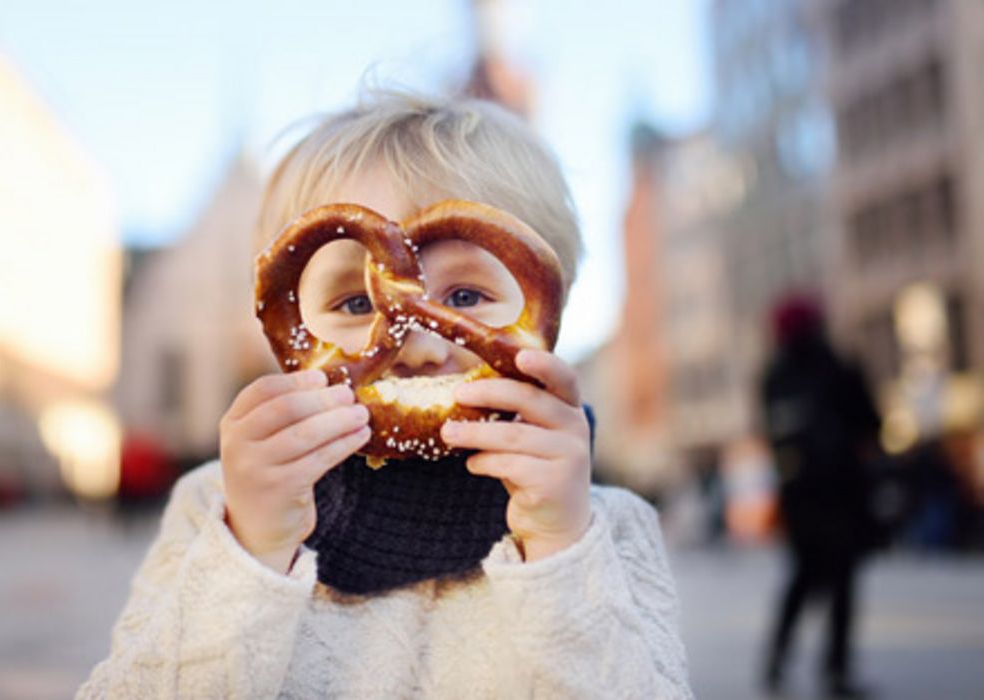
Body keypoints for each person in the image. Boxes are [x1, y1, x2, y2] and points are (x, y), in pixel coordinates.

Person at [80, 91, 691, 698]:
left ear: (545, 313)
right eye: (354, 302)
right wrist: (253, 553)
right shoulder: (218, 509)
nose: (421, 346)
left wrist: (559, 550)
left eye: (464, 298)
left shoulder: (605, 532)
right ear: (287, 321)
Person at [760, 294, 881, 698]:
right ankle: (834, 670)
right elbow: (870, 423)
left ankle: (777, 661)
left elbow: (772, 436)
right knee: (841, 583)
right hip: (840, 492)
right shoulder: (836, 366)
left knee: (802, 580)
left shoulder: (774, 375)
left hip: (801, 497)